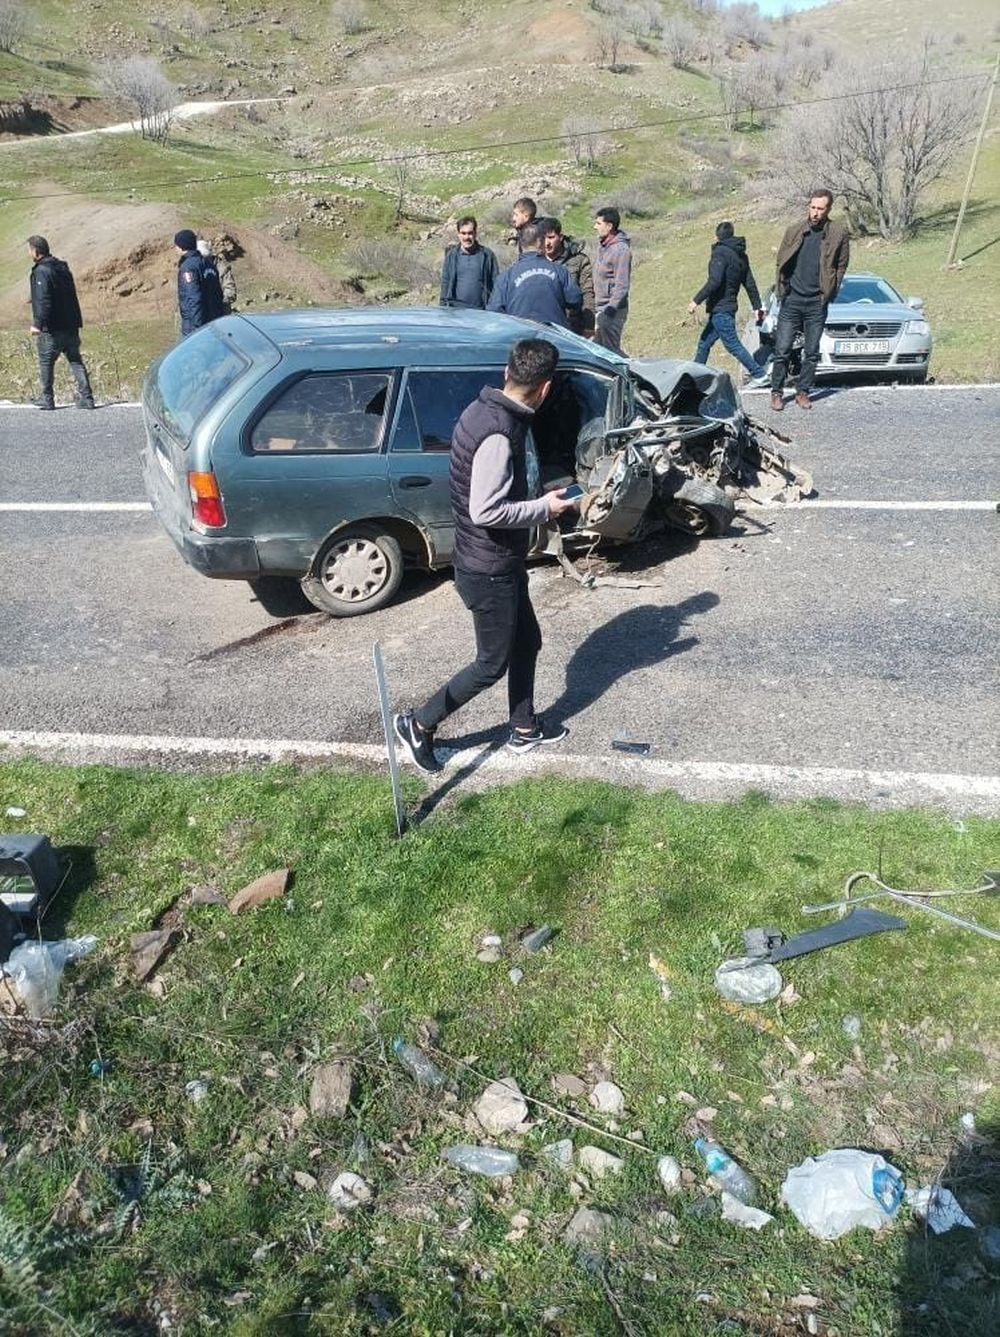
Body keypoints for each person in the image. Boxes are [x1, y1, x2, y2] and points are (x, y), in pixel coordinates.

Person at [393, 338, 579, 773]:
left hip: (493, 559)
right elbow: (486, 510)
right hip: (488, 568)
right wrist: (544, 508)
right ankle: (418, 724)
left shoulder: (482, 410)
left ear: (507, 372)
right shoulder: (498, 432)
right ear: (545, 388)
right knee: (491, 663)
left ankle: (524, 727)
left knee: (527, 641)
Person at [769, 188, 850, 411]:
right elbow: (781, 261)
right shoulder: (794, 231)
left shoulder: (838, 233)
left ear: (828, 209)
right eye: (813, 207)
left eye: (820, 208)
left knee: (812, 352)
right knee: (782, 349)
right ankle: (776, 392)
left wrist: (831, 288)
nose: (815, 212)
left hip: (817, 302)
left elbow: (841, 264)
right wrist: (782, 289)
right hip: (792, 299)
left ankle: (803, 392)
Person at [687, 221, 765, 382]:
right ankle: (694, 378)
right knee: (704, 343)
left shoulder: (720, 253)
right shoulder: (741, 255)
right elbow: (749, 283)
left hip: (721, 308)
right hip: (726, 307)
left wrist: (696, 301)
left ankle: (759, 374)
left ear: (717, 236)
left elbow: (714, 281)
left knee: (732, 344)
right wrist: (757, 306)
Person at [27, 235, 95, 411]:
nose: (29, 253)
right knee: (75, 360)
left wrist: (38, 323)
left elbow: (44, 299)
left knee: (46, 361)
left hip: (53, 327)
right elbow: (63, 294)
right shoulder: (62, 268)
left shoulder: (41, 271)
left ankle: (47, 399)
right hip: (71, 324)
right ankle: (87, 398)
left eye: (29, 250)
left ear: (36, 251)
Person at [487, 222, 583, 328]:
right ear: (539, 243)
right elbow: (575, 299)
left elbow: (494, 310)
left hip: (519, 334)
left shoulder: (506, 276)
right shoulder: (559, 271)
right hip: (553, 333)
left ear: (520, 245)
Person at [543, 218, 595, 336]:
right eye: (543, 238)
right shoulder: (535, 260)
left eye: (551, 237)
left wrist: (589, 325)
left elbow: (587, 293)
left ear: (560, 237)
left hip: (571, 325)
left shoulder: (579, 260)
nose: (547, 243)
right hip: (543, 323)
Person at [592, 207, 631, 354]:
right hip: (600, 308)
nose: (595, 227)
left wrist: (609, 311)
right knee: (598, 350)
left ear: (609, 226)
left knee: (611, 353)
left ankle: (630, 368)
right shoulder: (604, 246)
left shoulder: (621, 250)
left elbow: (622, 286)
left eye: (598, 223)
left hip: (612, 311)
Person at [439, 216, 500, 309]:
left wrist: (494, 307)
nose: (466, 237)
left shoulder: (487, 255)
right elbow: (445, 283)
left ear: (475, 233)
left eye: (470, 233)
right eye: (463, 233)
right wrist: (443, 308)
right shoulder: (451, 256)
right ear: (458, 234)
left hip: (481, 311)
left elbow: (496, 283)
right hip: (455, 310)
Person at [174, 228, 224, 337]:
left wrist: (197, 331)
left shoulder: (188, 268)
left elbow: (193, 298)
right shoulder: (208, 264)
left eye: (176, 245)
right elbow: (219, 294)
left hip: (196, 327)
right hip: (214, 322)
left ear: (182, 246)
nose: (175, 248)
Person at [197, 236, 238, 314]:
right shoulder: (196, 268)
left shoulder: (221, 267)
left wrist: (219, 301)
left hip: (221, 311)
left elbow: (230, 289)